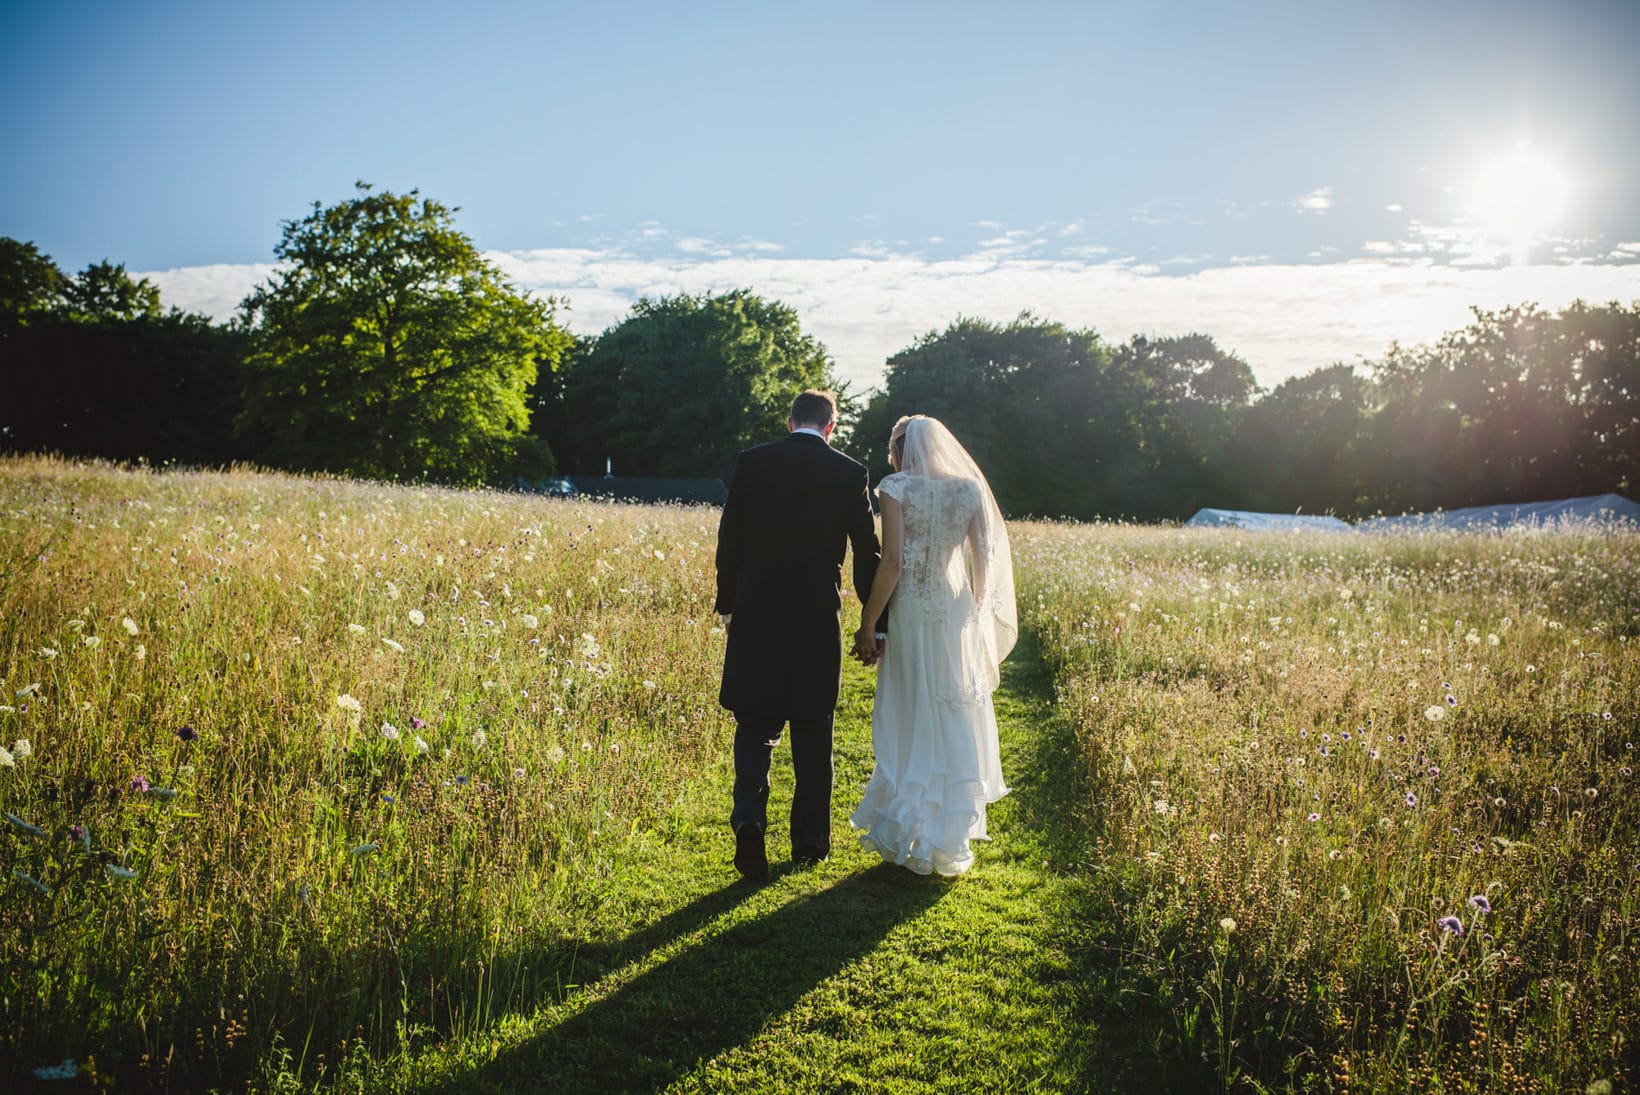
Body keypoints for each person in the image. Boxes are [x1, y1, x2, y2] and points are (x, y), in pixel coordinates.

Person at [716, 389, 883, 880]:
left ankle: (749, 818)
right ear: (831, 426)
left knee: (755, 725)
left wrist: (728, 603)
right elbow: (866, 552)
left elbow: (731, 538)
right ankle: (810, 845)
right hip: (815, 618)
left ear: (790, 422)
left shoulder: (751, 463)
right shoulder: (850, 472)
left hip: (755, 613)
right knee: (814, 729)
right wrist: (873, 622)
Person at [848, 415, 1017, 877]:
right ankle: (949, 831)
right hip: (954, 608)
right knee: (952, 707)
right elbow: (985, 561)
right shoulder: (968, 489)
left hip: (913, 610)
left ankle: (909, 823)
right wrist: (975, 610)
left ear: (900, 449)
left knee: (910, 706)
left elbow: (895, 562)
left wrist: (868, 622)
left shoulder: (896, 487)